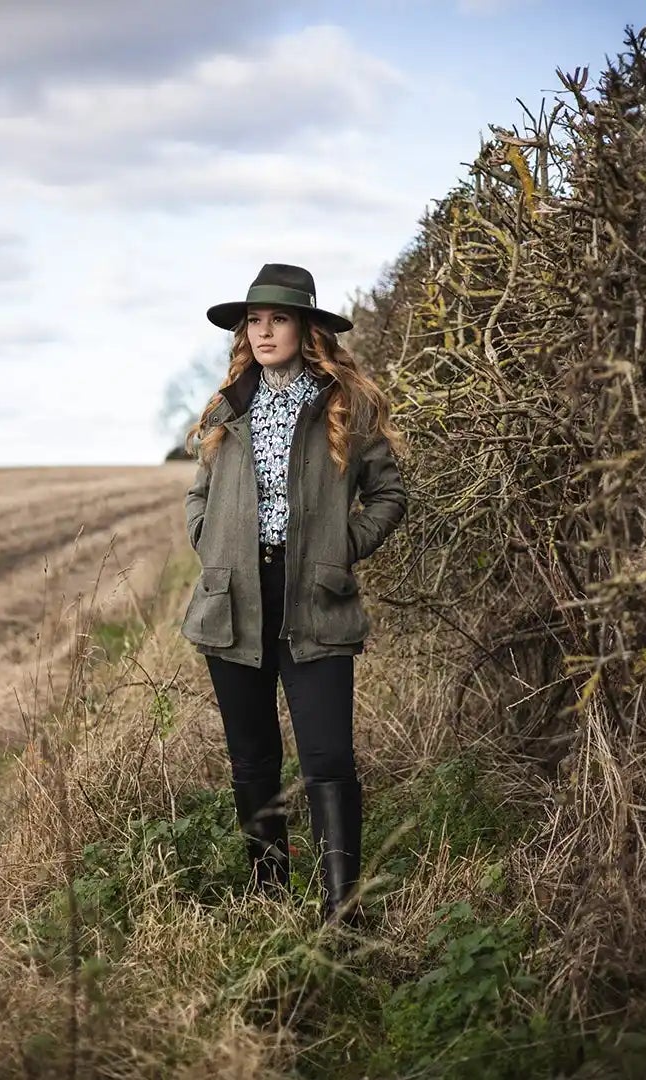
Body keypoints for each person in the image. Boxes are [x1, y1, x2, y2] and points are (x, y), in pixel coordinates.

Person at [181, 263, 408, 926]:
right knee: (252, 755)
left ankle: (343, 908)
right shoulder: (227, 406)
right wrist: (209, 541)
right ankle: (270, 892)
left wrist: (344, 547)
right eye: (255, 320)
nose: (264, 331)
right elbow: (200, 491)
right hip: (235, 601)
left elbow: (389, 494)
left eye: (278, 319)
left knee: (328, 754)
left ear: (306, 327)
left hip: (315, 595)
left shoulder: (347, 403)